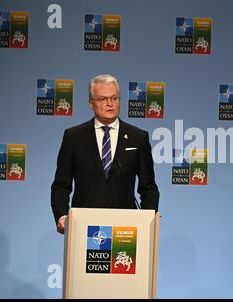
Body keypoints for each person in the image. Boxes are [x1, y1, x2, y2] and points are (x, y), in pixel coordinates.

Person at [51, 74, 159, 234]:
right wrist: (61, 216)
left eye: (114, 98)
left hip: (125, 227)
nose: (110, 104)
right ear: (91, 103)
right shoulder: (73, 137)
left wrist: (148, 219)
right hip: (83, 226)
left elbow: (148, 187)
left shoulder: (138, 137)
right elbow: (61, 185)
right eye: (103, 99)